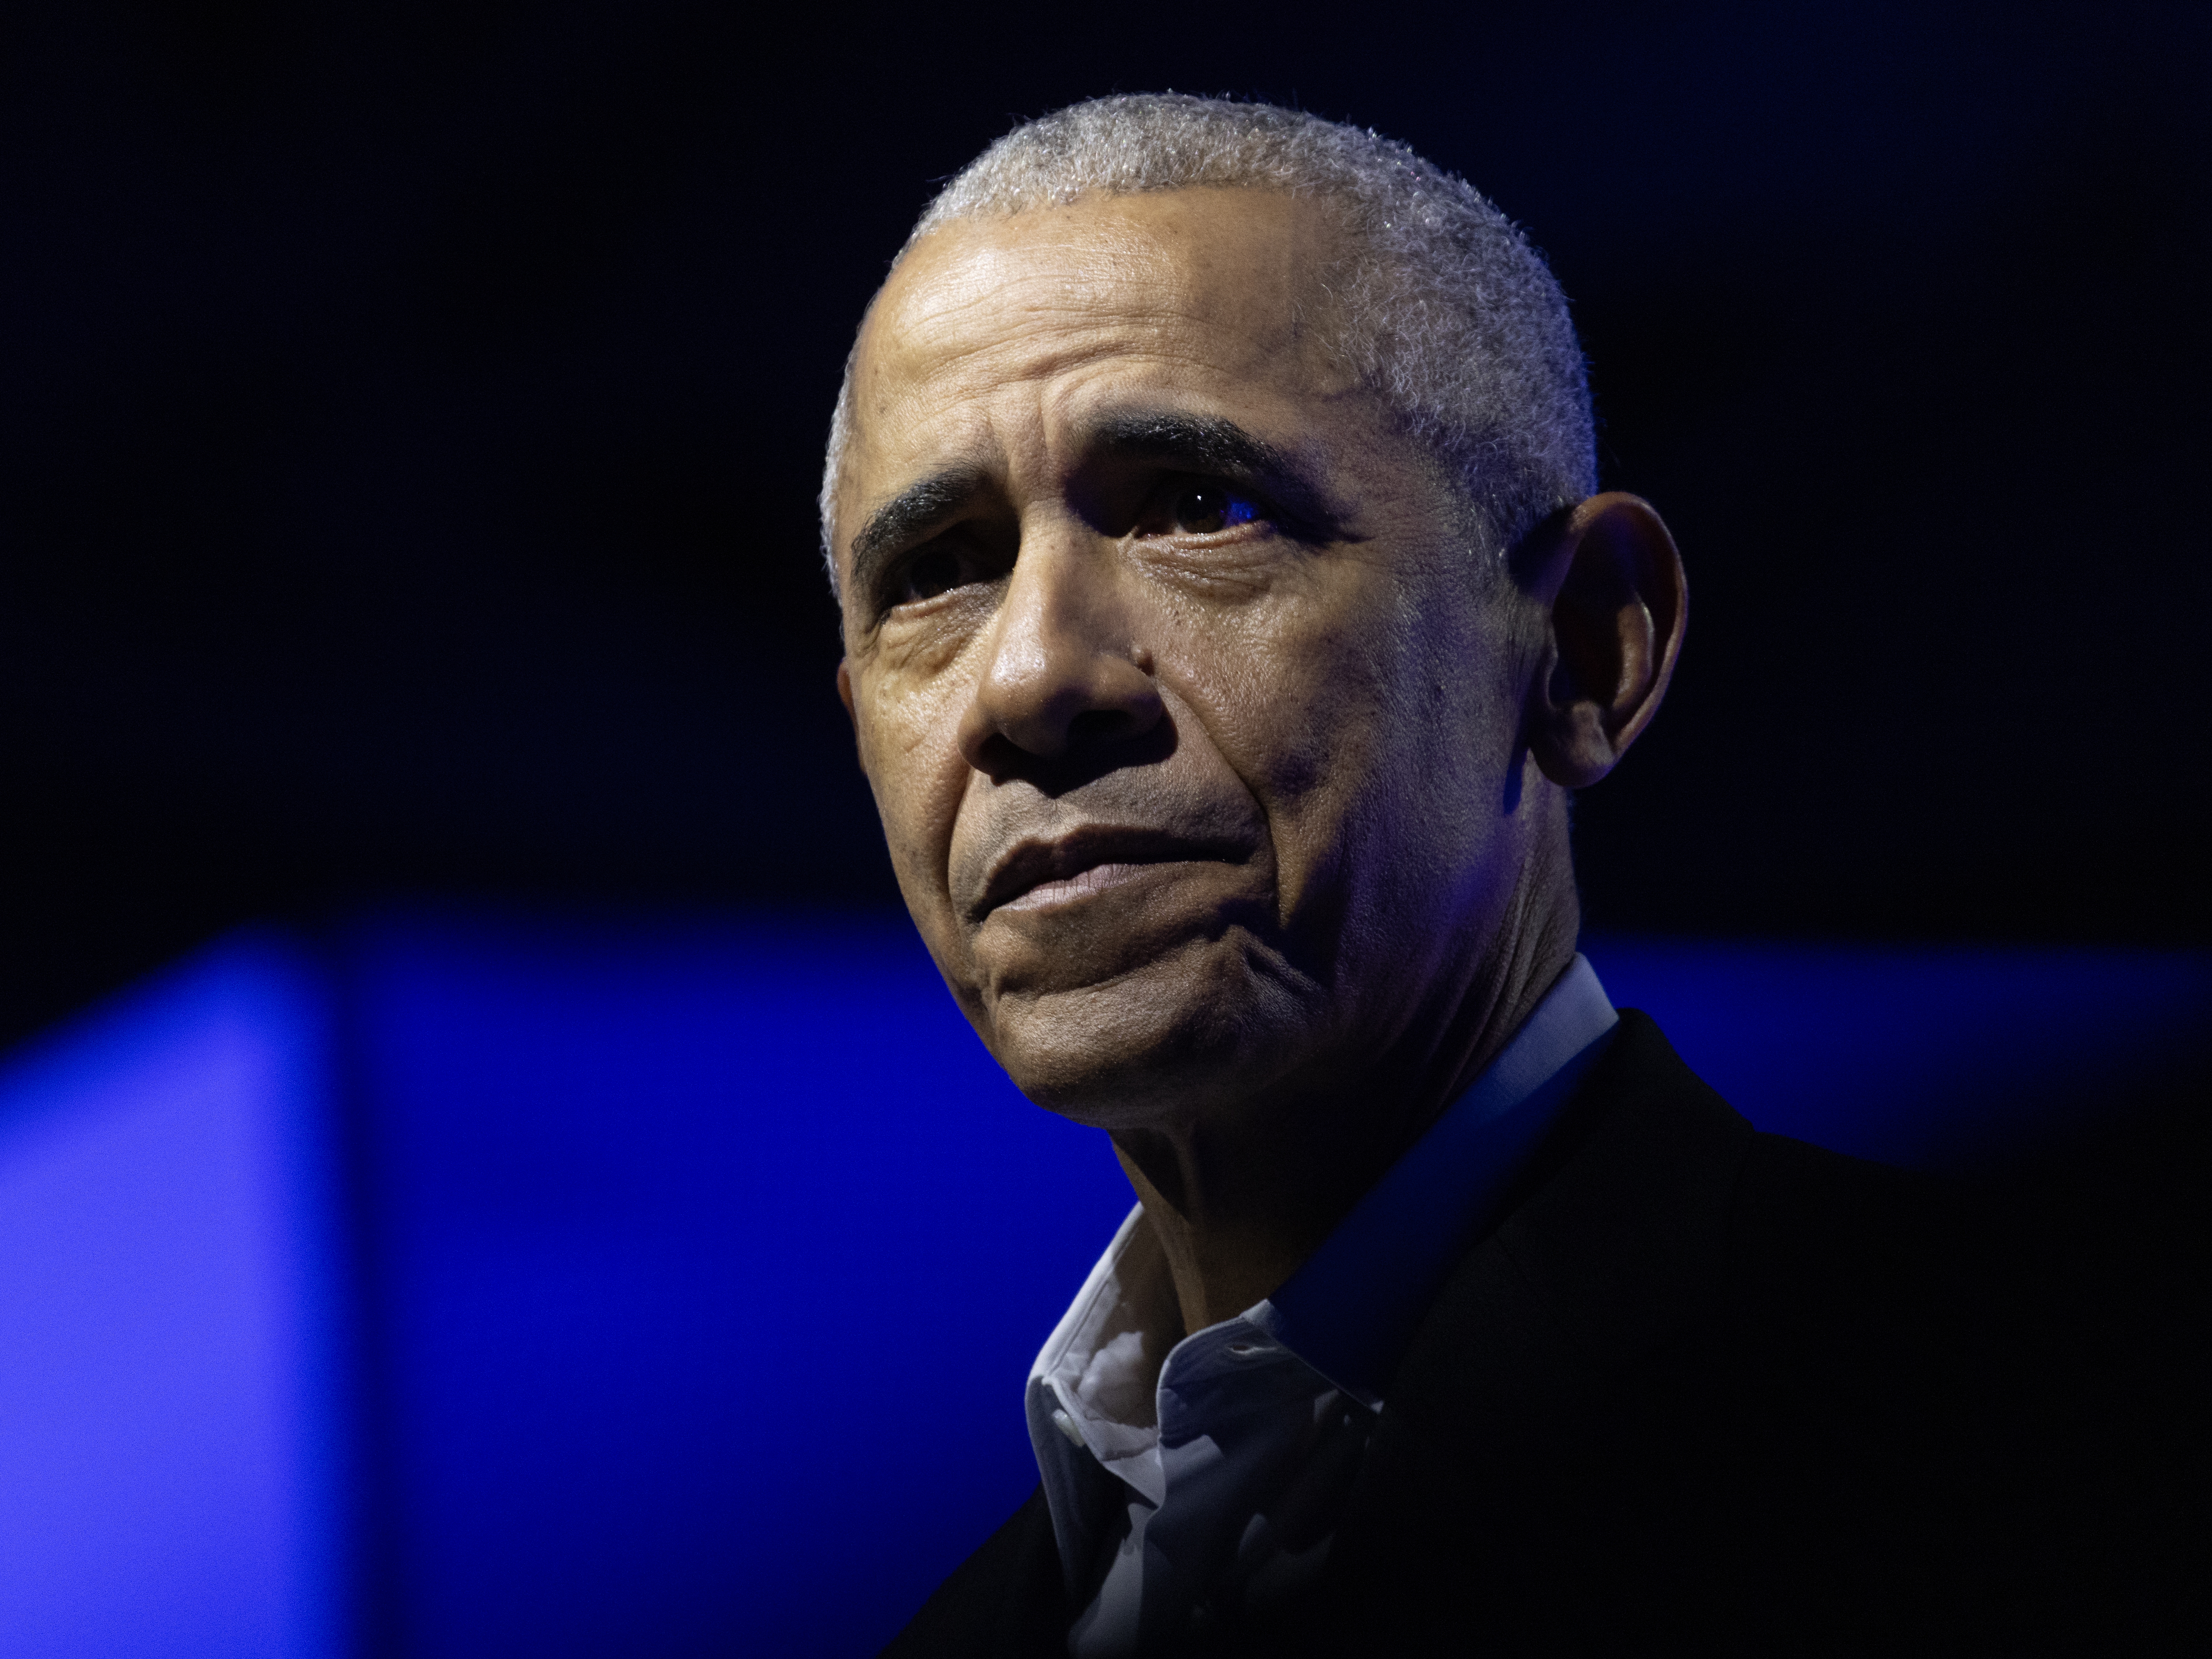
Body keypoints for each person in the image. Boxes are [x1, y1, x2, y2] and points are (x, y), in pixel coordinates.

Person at [817, 95, 2116, 1656]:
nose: (1029, 675)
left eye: (1199, 508)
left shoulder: (2050, 1435)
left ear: (1580, 650)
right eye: (937, 573)